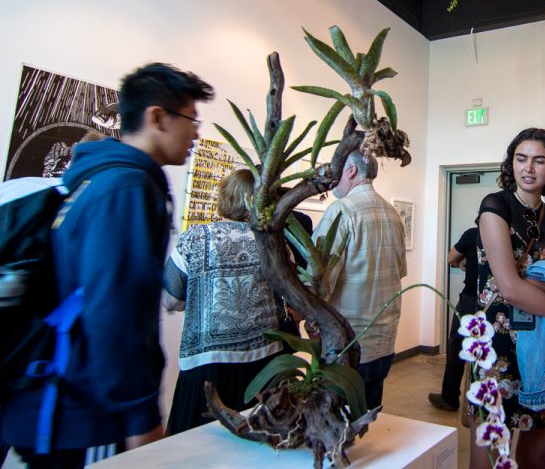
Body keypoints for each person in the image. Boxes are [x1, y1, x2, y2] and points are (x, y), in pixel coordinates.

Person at [1, 63, 214, 468]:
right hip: (83, 413)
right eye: (191, 119)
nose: (196, 132)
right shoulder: (126, 188)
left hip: (63, 401)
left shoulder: (102, 178)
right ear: (157, 117)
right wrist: (141, 418)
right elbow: (115, 311)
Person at [468, 127, 545, 469]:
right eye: (521, 159)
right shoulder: (495, 205)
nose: (529, 168)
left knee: (536, 457)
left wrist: (537, 286)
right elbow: (508, 287)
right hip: (498, 346)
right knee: (489, 459)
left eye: (539, 160)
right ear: (511, 164)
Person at [162, 169, 285, 435]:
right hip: (264, 364)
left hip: (207, 366)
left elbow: (170, 298)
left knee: (196, 449)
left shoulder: (194, 238)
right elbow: (286, 293)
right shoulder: (273, 241)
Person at [308, 150, 407, 411]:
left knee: (338, 427)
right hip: (384, 341)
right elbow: (399, 271)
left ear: (350, 171)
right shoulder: (393, 214)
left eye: (335, 170)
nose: (331, 180)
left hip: (347, 344)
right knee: (369, 422)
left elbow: (319, 281)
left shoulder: (341, 211)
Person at [427, 225, 478, 412]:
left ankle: (449, 398)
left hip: (471, 300)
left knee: (457, 346)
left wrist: (462, 262)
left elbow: (451, 258)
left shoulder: (472, 234)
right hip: (498, 302)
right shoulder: (507, 235)